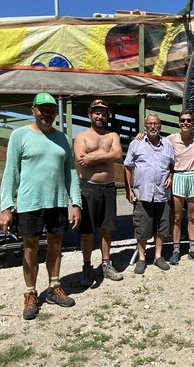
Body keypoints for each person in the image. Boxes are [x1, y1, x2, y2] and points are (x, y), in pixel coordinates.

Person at [0, 92, 82, 320]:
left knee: (56, 244)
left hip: (55, 202)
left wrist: (76, 203)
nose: (46, 113)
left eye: (51, 109)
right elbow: (10, 173)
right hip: (29, 203)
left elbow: (71, 173)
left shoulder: (63, 138)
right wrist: (6, 206)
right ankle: (31, 293)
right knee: (30, 247)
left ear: (56, 112)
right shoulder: (19, 136)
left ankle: (54, 287)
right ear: (33, 110)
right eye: (42, 109)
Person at [73, 99, 124, 287]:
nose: (99, 116)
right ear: (90, 114)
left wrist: (93, 157)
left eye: (103, 113)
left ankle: (106, 264)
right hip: (88, 187)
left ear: (107, 116)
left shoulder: (113, 136)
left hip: (109, 187)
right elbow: (80, 159)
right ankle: (87, 267)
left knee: (106, 228)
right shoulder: (81, 136)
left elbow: (117, 155)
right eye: (96, 112)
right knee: (87, 231)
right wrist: (105, 157)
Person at [124, 113, 174, 274]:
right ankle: (141, 258)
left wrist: (171, 176)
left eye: (156, 124)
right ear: (145, 127)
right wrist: (129, 189)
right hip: (143, 193)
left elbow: (172, 166)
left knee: (162, 227)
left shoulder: (167, 144)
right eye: (150, 124)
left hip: (162, 193)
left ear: (160, 126)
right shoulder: (136, 144)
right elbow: (128, 166)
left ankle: (158, 257)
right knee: (142, 227)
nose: (153, 126)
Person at [166, 110, 194, 265]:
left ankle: (192, 249)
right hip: (178, 176)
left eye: (188, 120)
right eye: (183, 120)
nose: (185, 123)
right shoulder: (171, 139)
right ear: (179, 122)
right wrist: (140, 136)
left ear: (192, 123)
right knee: (176, 217)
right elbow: (154, 142)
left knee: (193, 217)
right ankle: (176, 250)